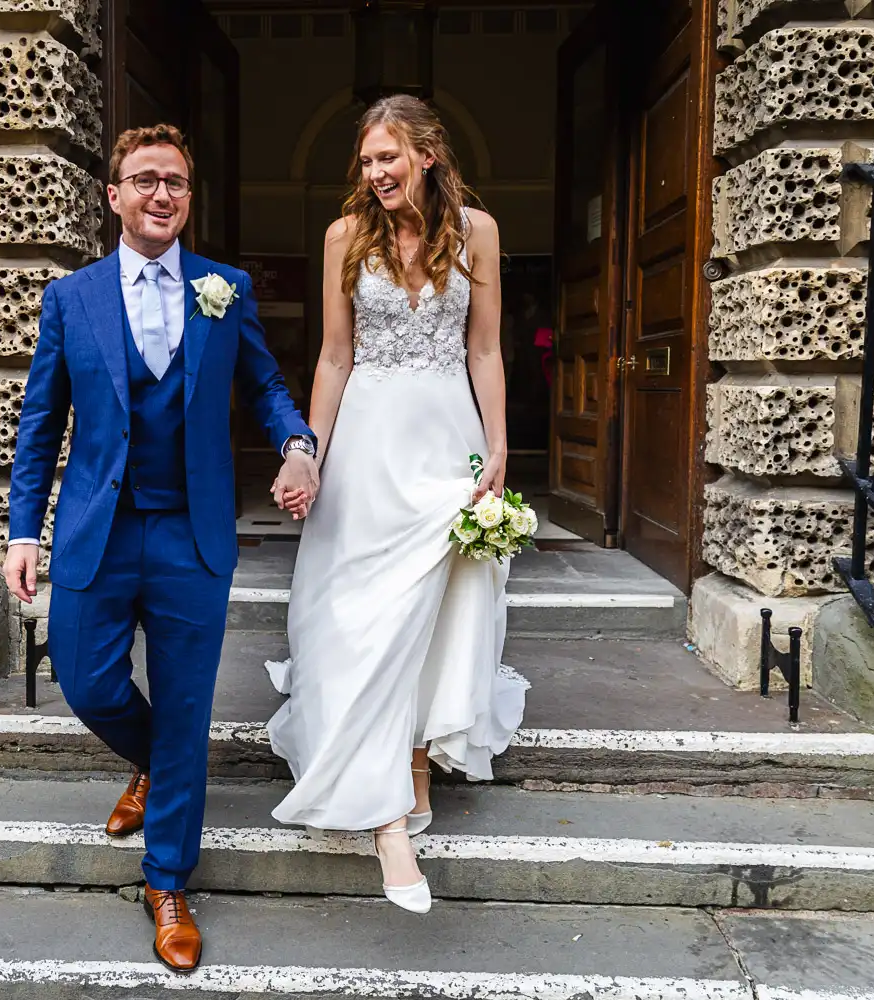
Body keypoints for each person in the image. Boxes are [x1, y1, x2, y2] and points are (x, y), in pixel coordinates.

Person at [4, 123, 317, 972]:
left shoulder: (225, 288)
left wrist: (299, 445)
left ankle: (168, 881)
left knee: (183, 710)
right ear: (113, 196)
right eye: (144, 180)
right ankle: (157, 767)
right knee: (85, 678)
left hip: (191, 535)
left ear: (188, 195)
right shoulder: (72, 299)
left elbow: (265, 385)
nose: (161, 195)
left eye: (175, 181)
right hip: (96, 534)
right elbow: (40, 426)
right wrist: (22, 529)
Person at [266, 95, 528, 914]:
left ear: (428, 154)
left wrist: (500, 443)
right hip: (370, 446)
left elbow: (483, 348)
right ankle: (382, 801)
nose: (377, 173)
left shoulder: (476, 232)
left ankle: (413, 755)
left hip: (446, 437)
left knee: (437, 607)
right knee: (364, 611)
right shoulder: (344, 238)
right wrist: (309, 451)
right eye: (368, 161)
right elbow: (335, 359)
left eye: (391, 157)